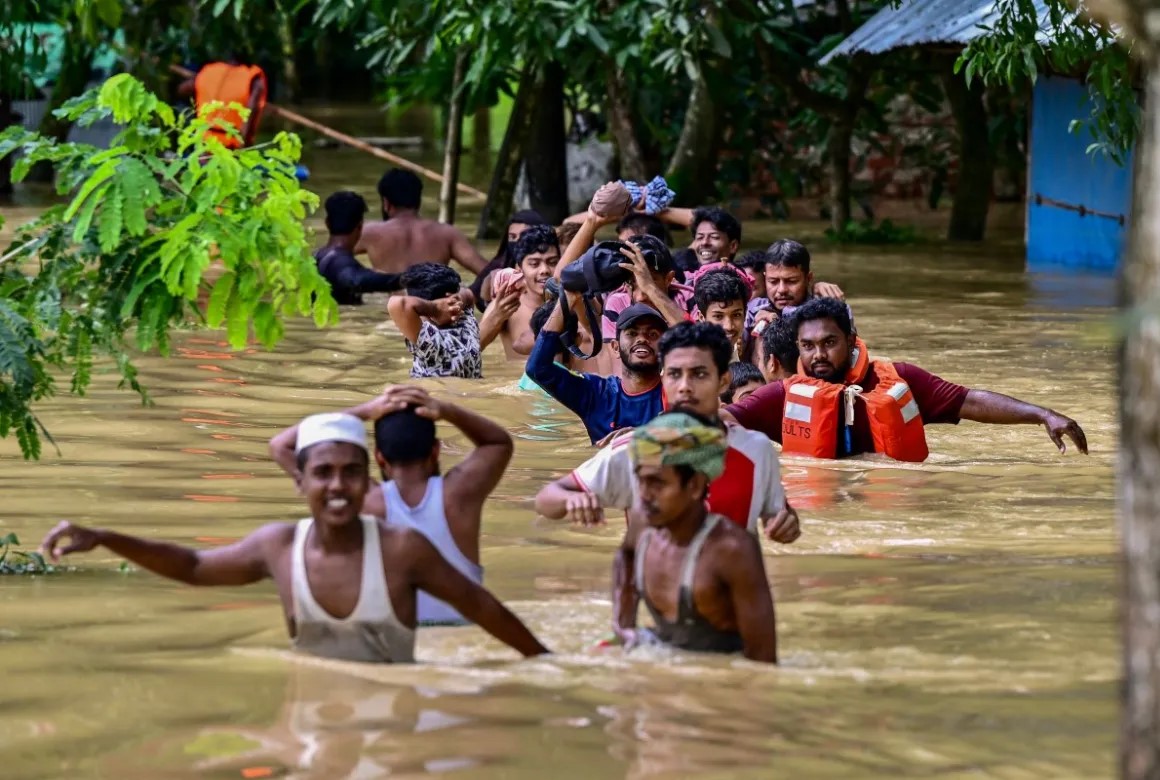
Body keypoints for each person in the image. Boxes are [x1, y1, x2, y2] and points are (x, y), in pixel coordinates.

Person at [41, 411, 548, 663]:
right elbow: (194, 567)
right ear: (299, 480)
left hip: (397, 718)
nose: (337, 486)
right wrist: (107, 537)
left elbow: (486, 611)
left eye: (350, 473)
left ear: (368, 473)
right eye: (323, 473)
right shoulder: (277, 547)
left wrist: (548, 669)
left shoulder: (401, 549)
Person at [725, 297, 1090, 460]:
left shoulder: (899, 379)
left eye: (829, 343)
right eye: (808, 346)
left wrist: (1043, 414)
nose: (818, 355)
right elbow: (725, 420)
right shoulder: (783, 397)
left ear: (851, 341)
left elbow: (969, 401)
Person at [534, 321, 799, 540]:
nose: (684, 386)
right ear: (663, 377)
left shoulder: (757, 449)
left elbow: (780, 515)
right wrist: (572, 501)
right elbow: (547, 499)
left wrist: (788, 525)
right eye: (674, 374)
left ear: (723, 381)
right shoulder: (632, 449)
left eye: (699, 374)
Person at [269, 386, 510, 626]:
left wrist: (365, 411)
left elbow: (280, 445)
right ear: (435, 452)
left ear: (378, 458)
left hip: (396, 640)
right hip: (462, 637)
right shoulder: (459, 496)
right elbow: (498, 442)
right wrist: (447, 410)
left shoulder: (365, 501)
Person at [615, 412, 778, 662]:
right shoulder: (641, 521)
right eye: (640, 480)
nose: (644, 495)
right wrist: (623, 627)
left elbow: (763, 663)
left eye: (657, 483)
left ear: (694, 486)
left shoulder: (733, 550)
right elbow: (625, 557)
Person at [526, 298, 667, 444]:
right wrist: (567, 298)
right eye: (632, 333)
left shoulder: (676, 394)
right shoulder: (596, 394)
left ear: (666, 349)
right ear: (615, 347)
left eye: (652, 334)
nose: (642, 339)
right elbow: (537, 369)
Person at [356, 169, 488, 277]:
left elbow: (336, 257)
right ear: (418, 200)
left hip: (389, 306)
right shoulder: (446, 233)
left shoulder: (369, 232)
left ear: (386, 203)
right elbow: (488, 272)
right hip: (435, 306)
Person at [479, 225, 561, 359]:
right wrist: (497, 316)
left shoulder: (570, 302)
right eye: (534, 264)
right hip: (516, 379)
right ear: (519, 268)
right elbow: (470, 351)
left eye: (552, 262)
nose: (544, 270)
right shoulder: (506, 304)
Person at [387, 263, 482, 379]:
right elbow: (466, 293)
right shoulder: (468, 321)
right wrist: (454, 300)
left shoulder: (429, 339)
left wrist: (434, 308)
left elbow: (396, 303)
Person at [313, 191, 403, 305]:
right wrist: (406, 279)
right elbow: (356, 280)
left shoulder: (316, 258)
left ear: (327, 223)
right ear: (360, 226)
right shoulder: (339, 262)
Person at [468, 209, 549, 311]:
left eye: (524, 236)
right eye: (512, 237)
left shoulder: (551, 268)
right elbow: (469, 295)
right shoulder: (500, 266)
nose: (517, 242)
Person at [179, 55, 267, 148]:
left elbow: (182, 90)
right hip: (230, 147)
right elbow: (249, 121)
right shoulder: (254, 80)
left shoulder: (208, 71)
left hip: (202, 144)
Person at [762, 239, 845, 317]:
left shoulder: (826, 310)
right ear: (765, 279)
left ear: (808, 279)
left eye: (791, 281)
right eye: (773, 281)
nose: (782, 290)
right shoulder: (754, 310)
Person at [692, 270, 750, 359]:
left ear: (745, 314)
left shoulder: (733, 350)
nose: (729, 326)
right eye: (718, 316)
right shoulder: (689, 359)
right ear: (702, 318)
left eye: (736, 315)